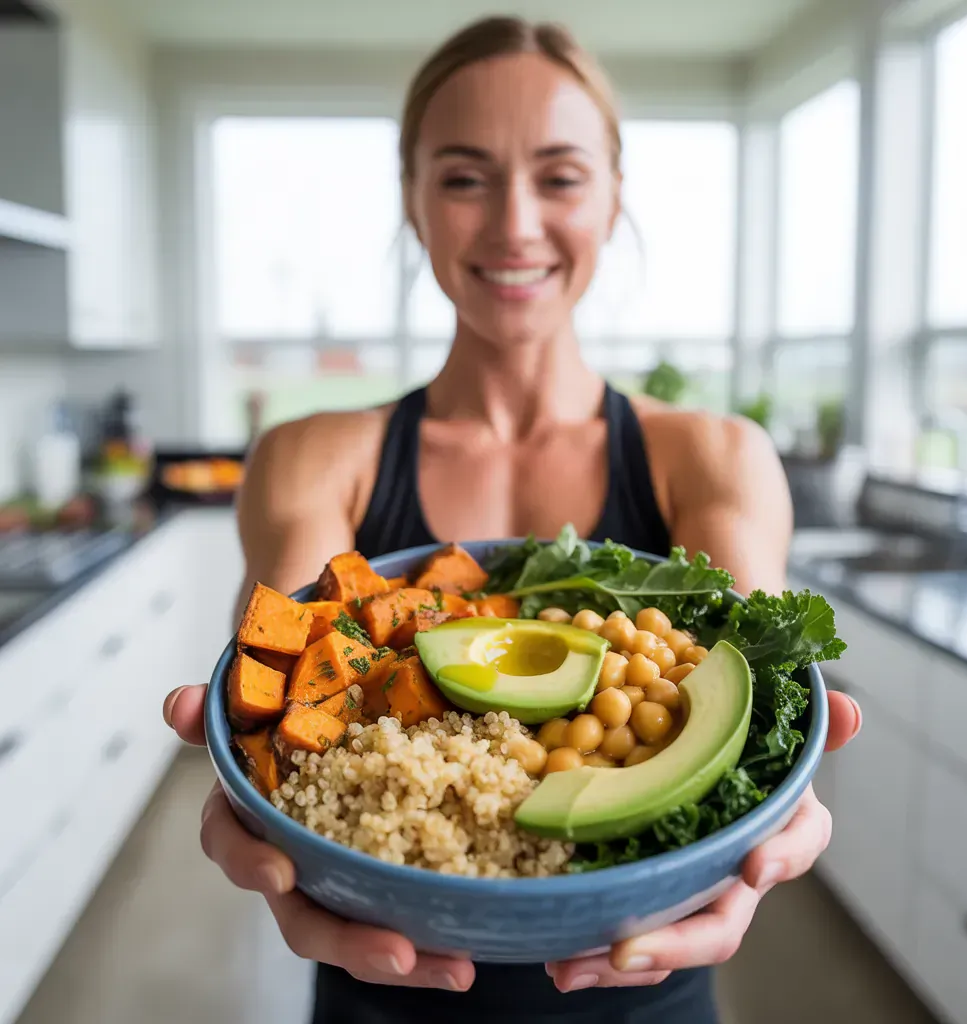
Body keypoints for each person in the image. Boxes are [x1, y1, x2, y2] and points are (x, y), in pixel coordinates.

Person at [162, 16, 861, 1024]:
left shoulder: (714, 456)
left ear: (614, 197)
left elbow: (760, 728)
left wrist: (776, 834)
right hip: (379, 996)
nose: (514, 224)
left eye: (560, 176)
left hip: (648, 995)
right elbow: (274, 734)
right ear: (411, 199)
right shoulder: (312, 456)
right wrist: (250, 818)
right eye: (464, 178)